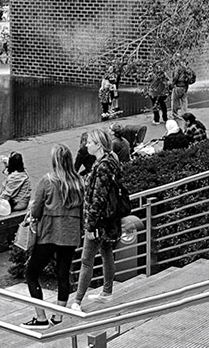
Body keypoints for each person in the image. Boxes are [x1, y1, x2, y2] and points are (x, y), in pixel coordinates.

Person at [21, 144, 85, 327]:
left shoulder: (48, 181)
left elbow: (37, 208)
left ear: (54, 160)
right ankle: (58, 317)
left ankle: (41, 318)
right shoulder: (79, 181)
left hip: (49, 233)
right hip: (71, 233)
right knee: (63, 273)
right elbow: (83, 208)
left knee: (32, 273)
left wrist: (33, 218)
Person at [75, 128, 130, 310]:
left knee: (86, 260)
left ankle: (77, 301)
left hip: (99, 223)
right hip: (109, 220)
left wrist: (90, 226)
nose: (86, 145)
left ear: (98, 145)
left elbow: (98, 199)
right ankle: (107, 292)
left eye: (89, 142)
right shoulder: (111, 160)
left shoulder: (102, 167)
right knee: (106, 253)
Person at [0, 153, 32, 217]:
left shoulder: (16, 177)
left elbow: (7, 194)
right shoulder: (20, 171)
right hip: (17, 201)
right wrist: (6, 163)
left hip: (18, 204)